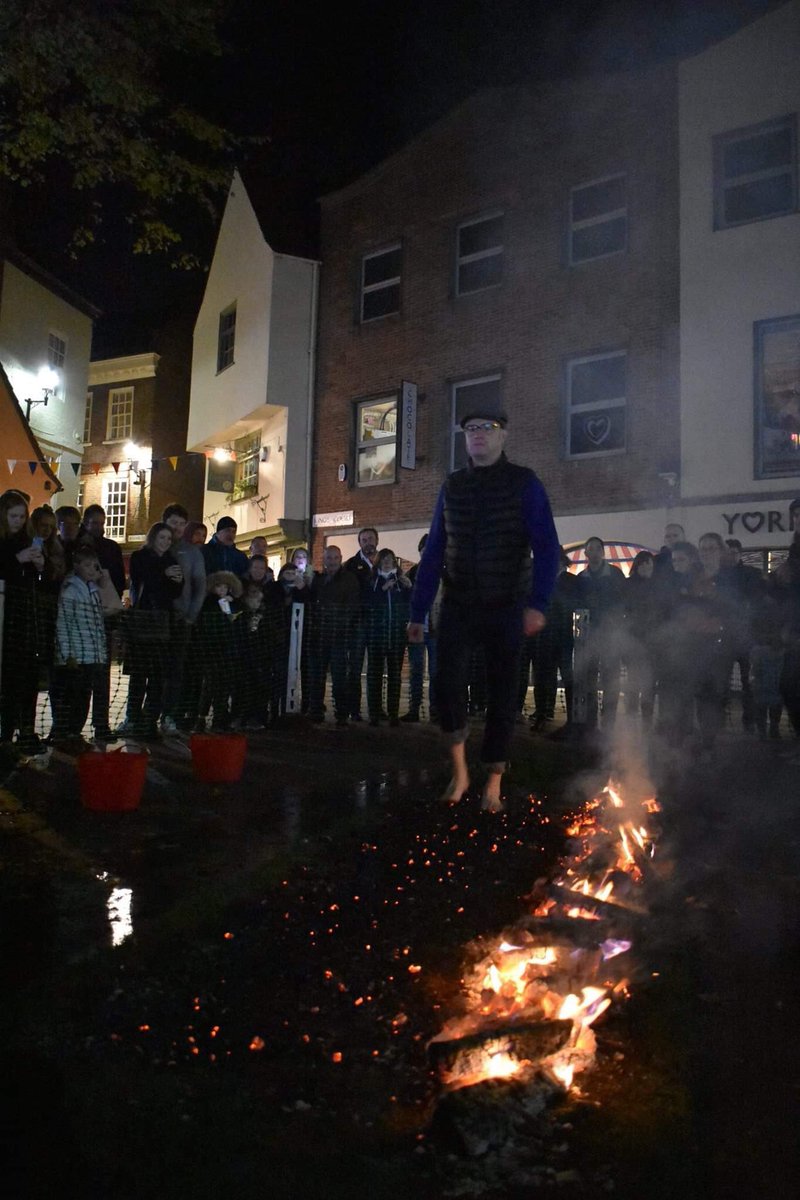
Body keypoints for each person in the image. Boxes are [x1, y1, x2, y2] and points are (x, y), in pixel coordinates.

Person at [408, 403, 559, 812]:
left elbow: (547, 547)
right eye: (471, 428)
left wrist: (537, 603)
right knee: (446, 685)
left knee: (503, 692)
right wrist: (418, 611)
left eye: (487, 427)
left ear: (503, 435)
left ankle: (493, 778)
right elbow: (434, 550)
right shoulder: (452, 486)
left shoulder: (524, 483)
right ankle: (460, 772)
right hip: (459, 602)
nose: (478, 433)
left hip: (507, 603)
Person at [122, 522, 183, 740]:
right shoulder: (140, 557)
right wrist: (164, 574)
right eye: (162, 537)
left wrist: (178, 581)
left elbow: (175, 591)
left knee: (157, 674)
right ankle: (132, 717)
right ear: (153, 537)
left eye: (169, 538)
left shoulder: (171, 560)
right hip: (143, 617)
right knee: (139, 673)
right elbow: (141, 579)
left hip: (163, 620)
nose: (165, 542)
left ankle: (150, 719)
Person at [74, 503, 125, 742]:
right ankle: (75, 725)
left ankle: (101, 722)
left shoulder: (111, 547)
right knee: (82, 674)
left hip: (102, 614)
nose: (98, 527)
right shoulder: (77, 545)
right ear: (85, 523)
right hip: (81, 615)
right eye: (94, 523)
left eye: (101, 523)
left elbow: (118, 580)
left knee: (102, 673)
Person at [0, 489, 45, 753]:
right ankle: (5, 732)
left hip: (24, 613)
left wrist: (39, 566)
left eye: (21, 516)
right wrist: (17, 560)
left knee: (26, 673)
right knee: (7, 675)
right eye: (13, 516)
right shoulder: (4, 543)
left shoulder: (27, 540)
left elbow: (39, 578)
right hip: (5, 613)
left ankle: (25, 729)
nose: (18, 521)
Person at [50, 547, 108, 751]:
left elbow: (100, 622)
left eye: (94, 565)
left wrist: (100, 652)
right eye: (86, 565)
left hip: (91, 653)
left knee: (84, 695)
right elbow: (64, 623)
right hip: (77, 654)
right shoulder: (71, 591)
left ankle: (74, 733)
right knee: (72, 696)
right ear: (76, 566)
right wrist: (68, 654)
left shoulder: (93, 590)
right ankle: (65, 734)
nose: (91, 569)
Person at [160, 503, 206, 734]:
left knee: (176, 670)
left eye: (181, 524)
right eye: (173, 523)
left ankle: (169, 715)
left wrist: (191, 616)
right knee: (151, 670)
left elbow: (200, 586)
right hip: (156, 617)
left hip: (181, 620)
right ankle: (141, 715)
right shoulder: (156, 547)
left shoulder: (192, 552)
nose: (177, 528)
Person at [575, 537, 626, 732]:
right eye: (591, 549)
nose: (595, 552)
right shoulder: (581, 578)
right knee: (589, 676)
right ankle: (590, 720)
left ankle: (609, 720)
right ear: (586, 553)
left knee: (610, 676)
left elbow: (623, 601)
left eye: (598, 549)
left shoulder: (615, 574)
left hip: (611, 633)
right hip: (589, 634)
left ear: (602, 552)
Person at [307, 544, 359, 725]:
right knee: (317, 676)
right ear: (324, 559)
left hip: (339, 636)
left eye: (336, 558)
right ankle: (316, 710)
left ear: (341, 559)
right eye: (329, 558)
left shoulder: (349, 580)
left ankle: (341, 712)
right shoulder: (318, 580)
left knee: (339, 677)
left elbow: (352, 606)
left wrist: (342, 624)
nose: (332, 561)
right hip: (319, 636)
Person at [365, 548, 411, 726]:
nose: (386, 562)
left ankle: (393, 713)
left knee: (395, 675)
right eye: (383, 559)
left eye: (390, 559)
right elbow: (368, 603)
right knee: (374, 675)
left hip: (396, 635)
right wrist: (382, 590)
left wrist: (409, 588)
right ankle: (374, 713)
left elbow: (409, 604)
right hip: (377, 636)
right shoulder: (372, 580)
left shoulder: (401, 581)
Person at [724, 537, 765, 732]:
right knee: (723, 680)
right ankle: (721, 718)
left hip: (746, 636)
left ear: (740, 554)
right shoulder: (720, 575)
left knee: (748, 681)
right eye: (728, 553)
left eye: (734, 553)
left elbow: (757, 602)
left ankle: (749, 720)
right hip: (726, 636)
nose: (731, 557)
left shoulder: (751, 574)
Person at [402, 534, 439, 722]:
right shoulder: (413, 572)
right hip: (417, 627)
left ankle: (435, 709)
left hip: (435, 628)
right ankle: (414, 708)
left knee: (435, 671)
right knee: (416, 670)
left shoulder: (442, 572)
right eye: (424, 551)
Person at [344, 526, 379, 720]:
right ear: (359, 543)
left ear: (377, 540)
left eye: (371, 539)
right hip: (358, 623)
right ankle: (354, 709)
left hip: (377, 624)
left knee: (376, 669)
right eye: (364, 540)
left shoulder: (385, 562)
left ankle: (376, 709)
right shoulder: (351, 565)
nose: (368, 543)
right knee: (355, 668)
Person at [623, 550, 659, 727]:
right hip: (634, 640)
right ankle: (631, 718)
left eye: (648, 563)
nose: (645, 566)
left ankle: (646, 720)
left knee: (648, 683)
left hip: (652, 642)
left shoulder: (658, 586)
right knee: (633, 681)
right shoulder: (628, 585)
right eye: (642, 563)